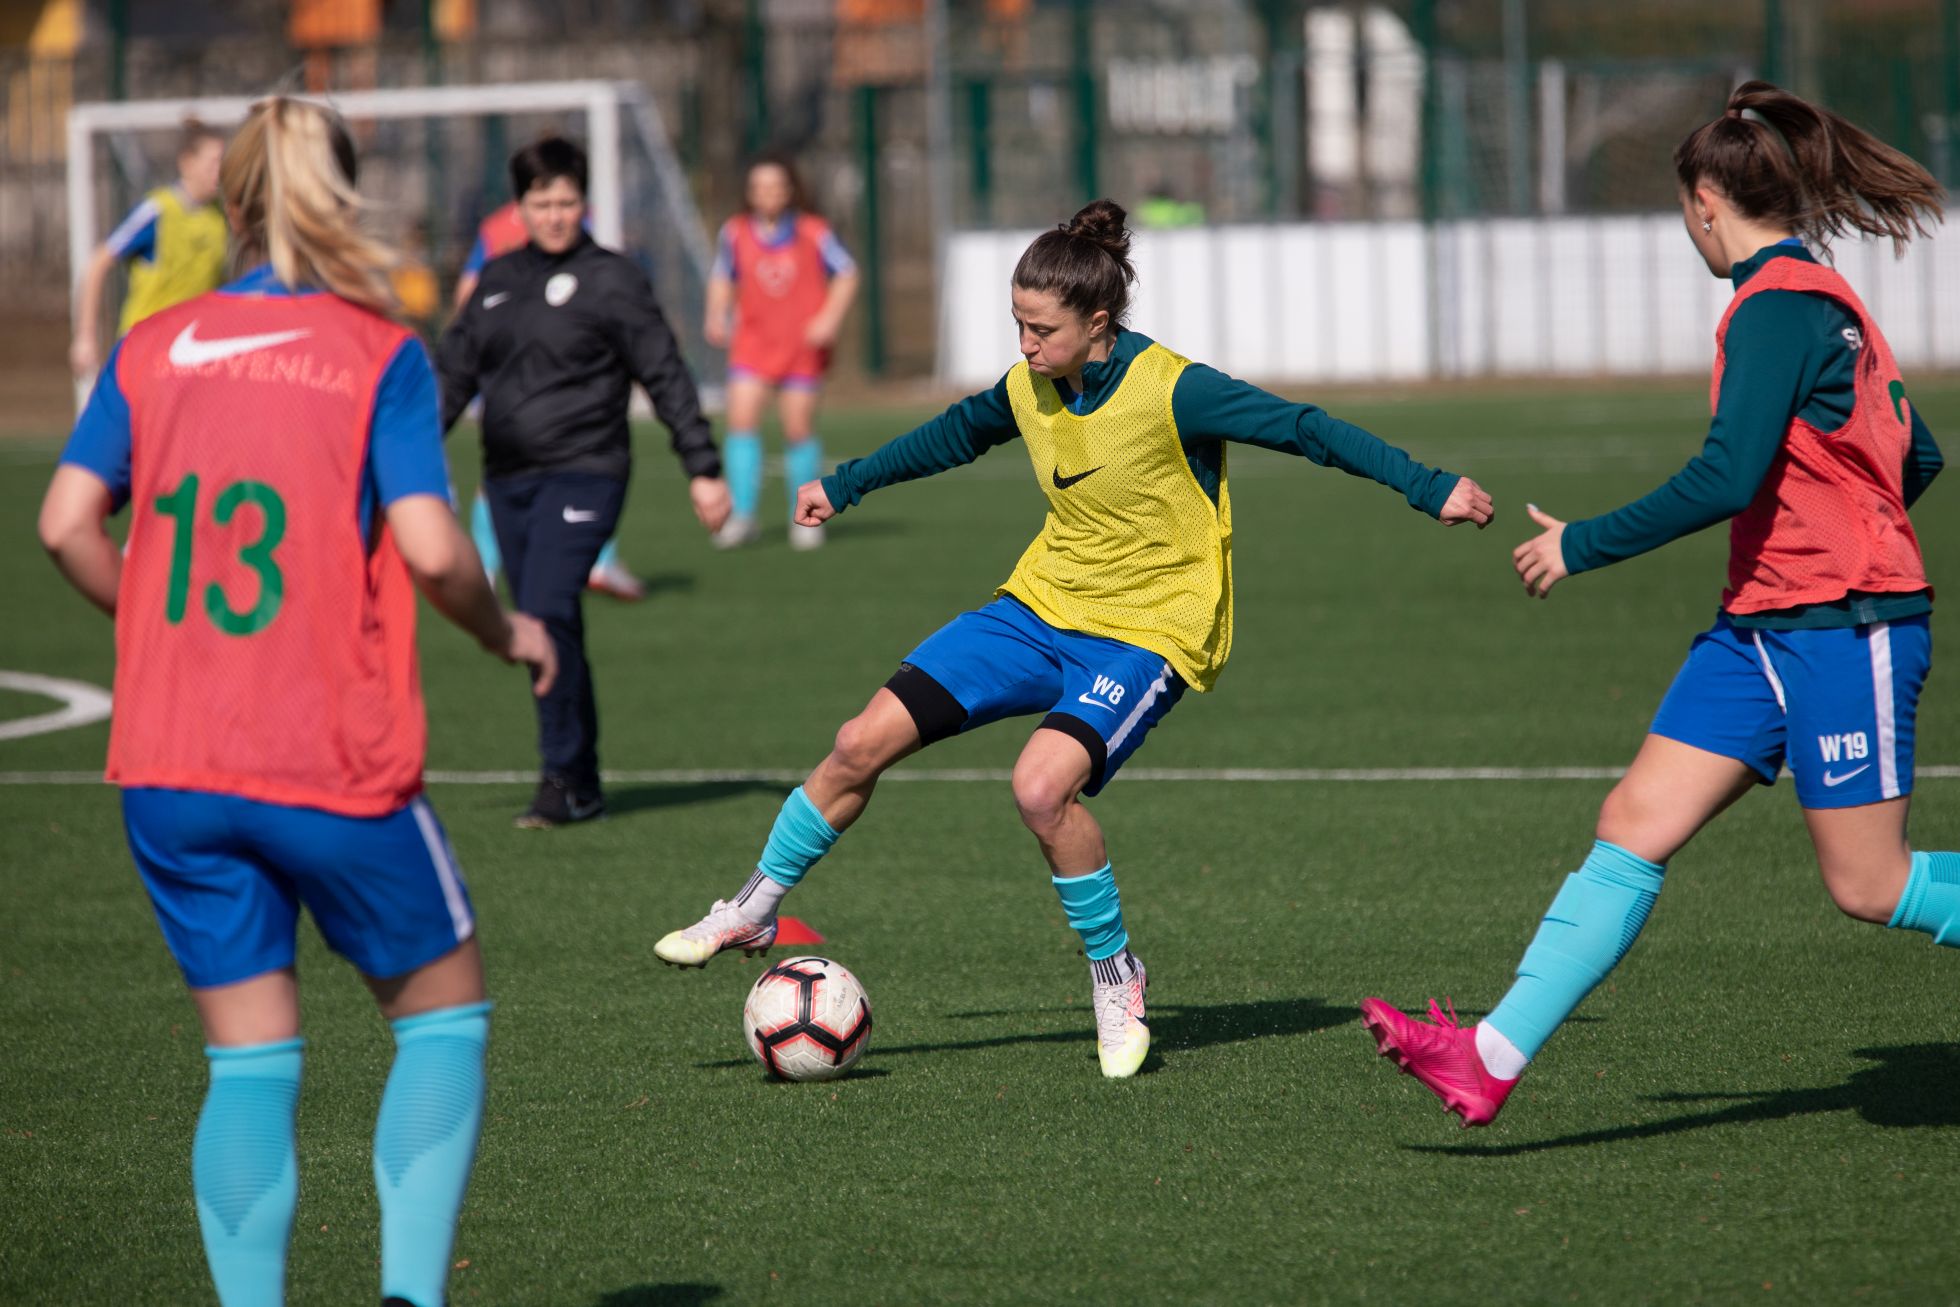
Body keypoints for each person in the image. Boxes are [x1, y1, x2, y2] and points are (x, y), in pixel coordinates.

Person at [656, 199, 1493, 1078]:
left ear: (1097, 322)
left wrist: (1426, 484)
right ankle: (753, 906)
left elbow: (1306, 427)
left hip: (1148, 631)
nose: (1024, 345)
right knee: (860, 739)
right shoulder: (1030, 384)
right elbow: (956, 433)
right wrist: (847, 482)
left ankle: (1116, 974)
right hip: (1039, 607)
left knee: (1040, 787)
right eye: (1017, 324)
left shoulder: (1176, 389)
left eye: (1041, 329)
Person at [36, 97, 556, 1307]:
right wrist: (506, 629)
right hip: (325, 751)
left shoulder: (154, 345)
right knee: (441, 1018)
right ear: (346, 194)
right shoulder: (376, 352)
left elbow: (64, 523)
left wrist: (155, 624)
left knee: (250, 1061)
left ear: (231, 200)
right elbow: (434, 550)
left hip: (168, 760)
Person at [1360, 81, 1948, 1128]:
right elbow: (1920, 456)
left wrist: (1579, 543)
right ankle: (1487, 1056)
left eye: (1685, 209)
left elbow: (1727, 475)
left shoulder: (1778, 306)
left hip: (1841, 627)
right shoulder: (1814, 297)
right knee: (1632, 821)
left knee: (1869, 884)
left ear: (1705, 203)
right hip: (1759, 628)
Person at [438, 136, 732, 829]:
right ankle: (581, 781)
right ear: (519, 208)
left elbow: (664, 371)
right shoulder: (497, 280)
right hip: (507, 480)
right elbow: (451, 377)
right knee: (543, 621)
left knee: (545, 611)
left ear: (584, 204)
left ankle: (563, 777)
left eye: (567, 202)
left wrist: (703, 468)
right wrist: (404, 455)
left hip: (586, 473)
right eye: (542, 203)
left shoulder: (612, 279)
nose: (555, 216)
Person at [451, 197, 647, 600]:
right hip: (563, 369)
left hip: (513, 371)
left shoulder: (496, 226)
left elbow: (466, 296)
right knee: (587, 456)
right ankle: (596, 561)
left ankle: (487, 570)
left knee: (507, 466)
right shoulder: (578, 222)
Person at [704, 152, 859, 550]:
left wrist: (828, 319)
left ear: (790, 190)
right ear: (749, 192)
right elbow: (723, 276)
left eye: (775, 186)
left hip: (800, 347)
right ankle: (742, 516)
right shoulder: (735, 232)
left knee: (798, 428)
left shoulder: (814, 231)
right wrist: (716, 314)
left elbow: (847, 273)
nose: (768, 194)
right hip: (752, 344)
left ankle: (805, 518)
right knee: (740, 422)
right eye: (759, 187)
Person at [70, 119, 229, 378]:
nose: (219, 172)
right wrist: (85, 337)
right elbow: (99, 262)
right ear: (187, 163)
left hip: (192, 349)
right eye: (213, 162)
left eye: (223, 162)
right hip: (145, 347)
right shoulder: (158, 211)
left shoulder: (219, 218)